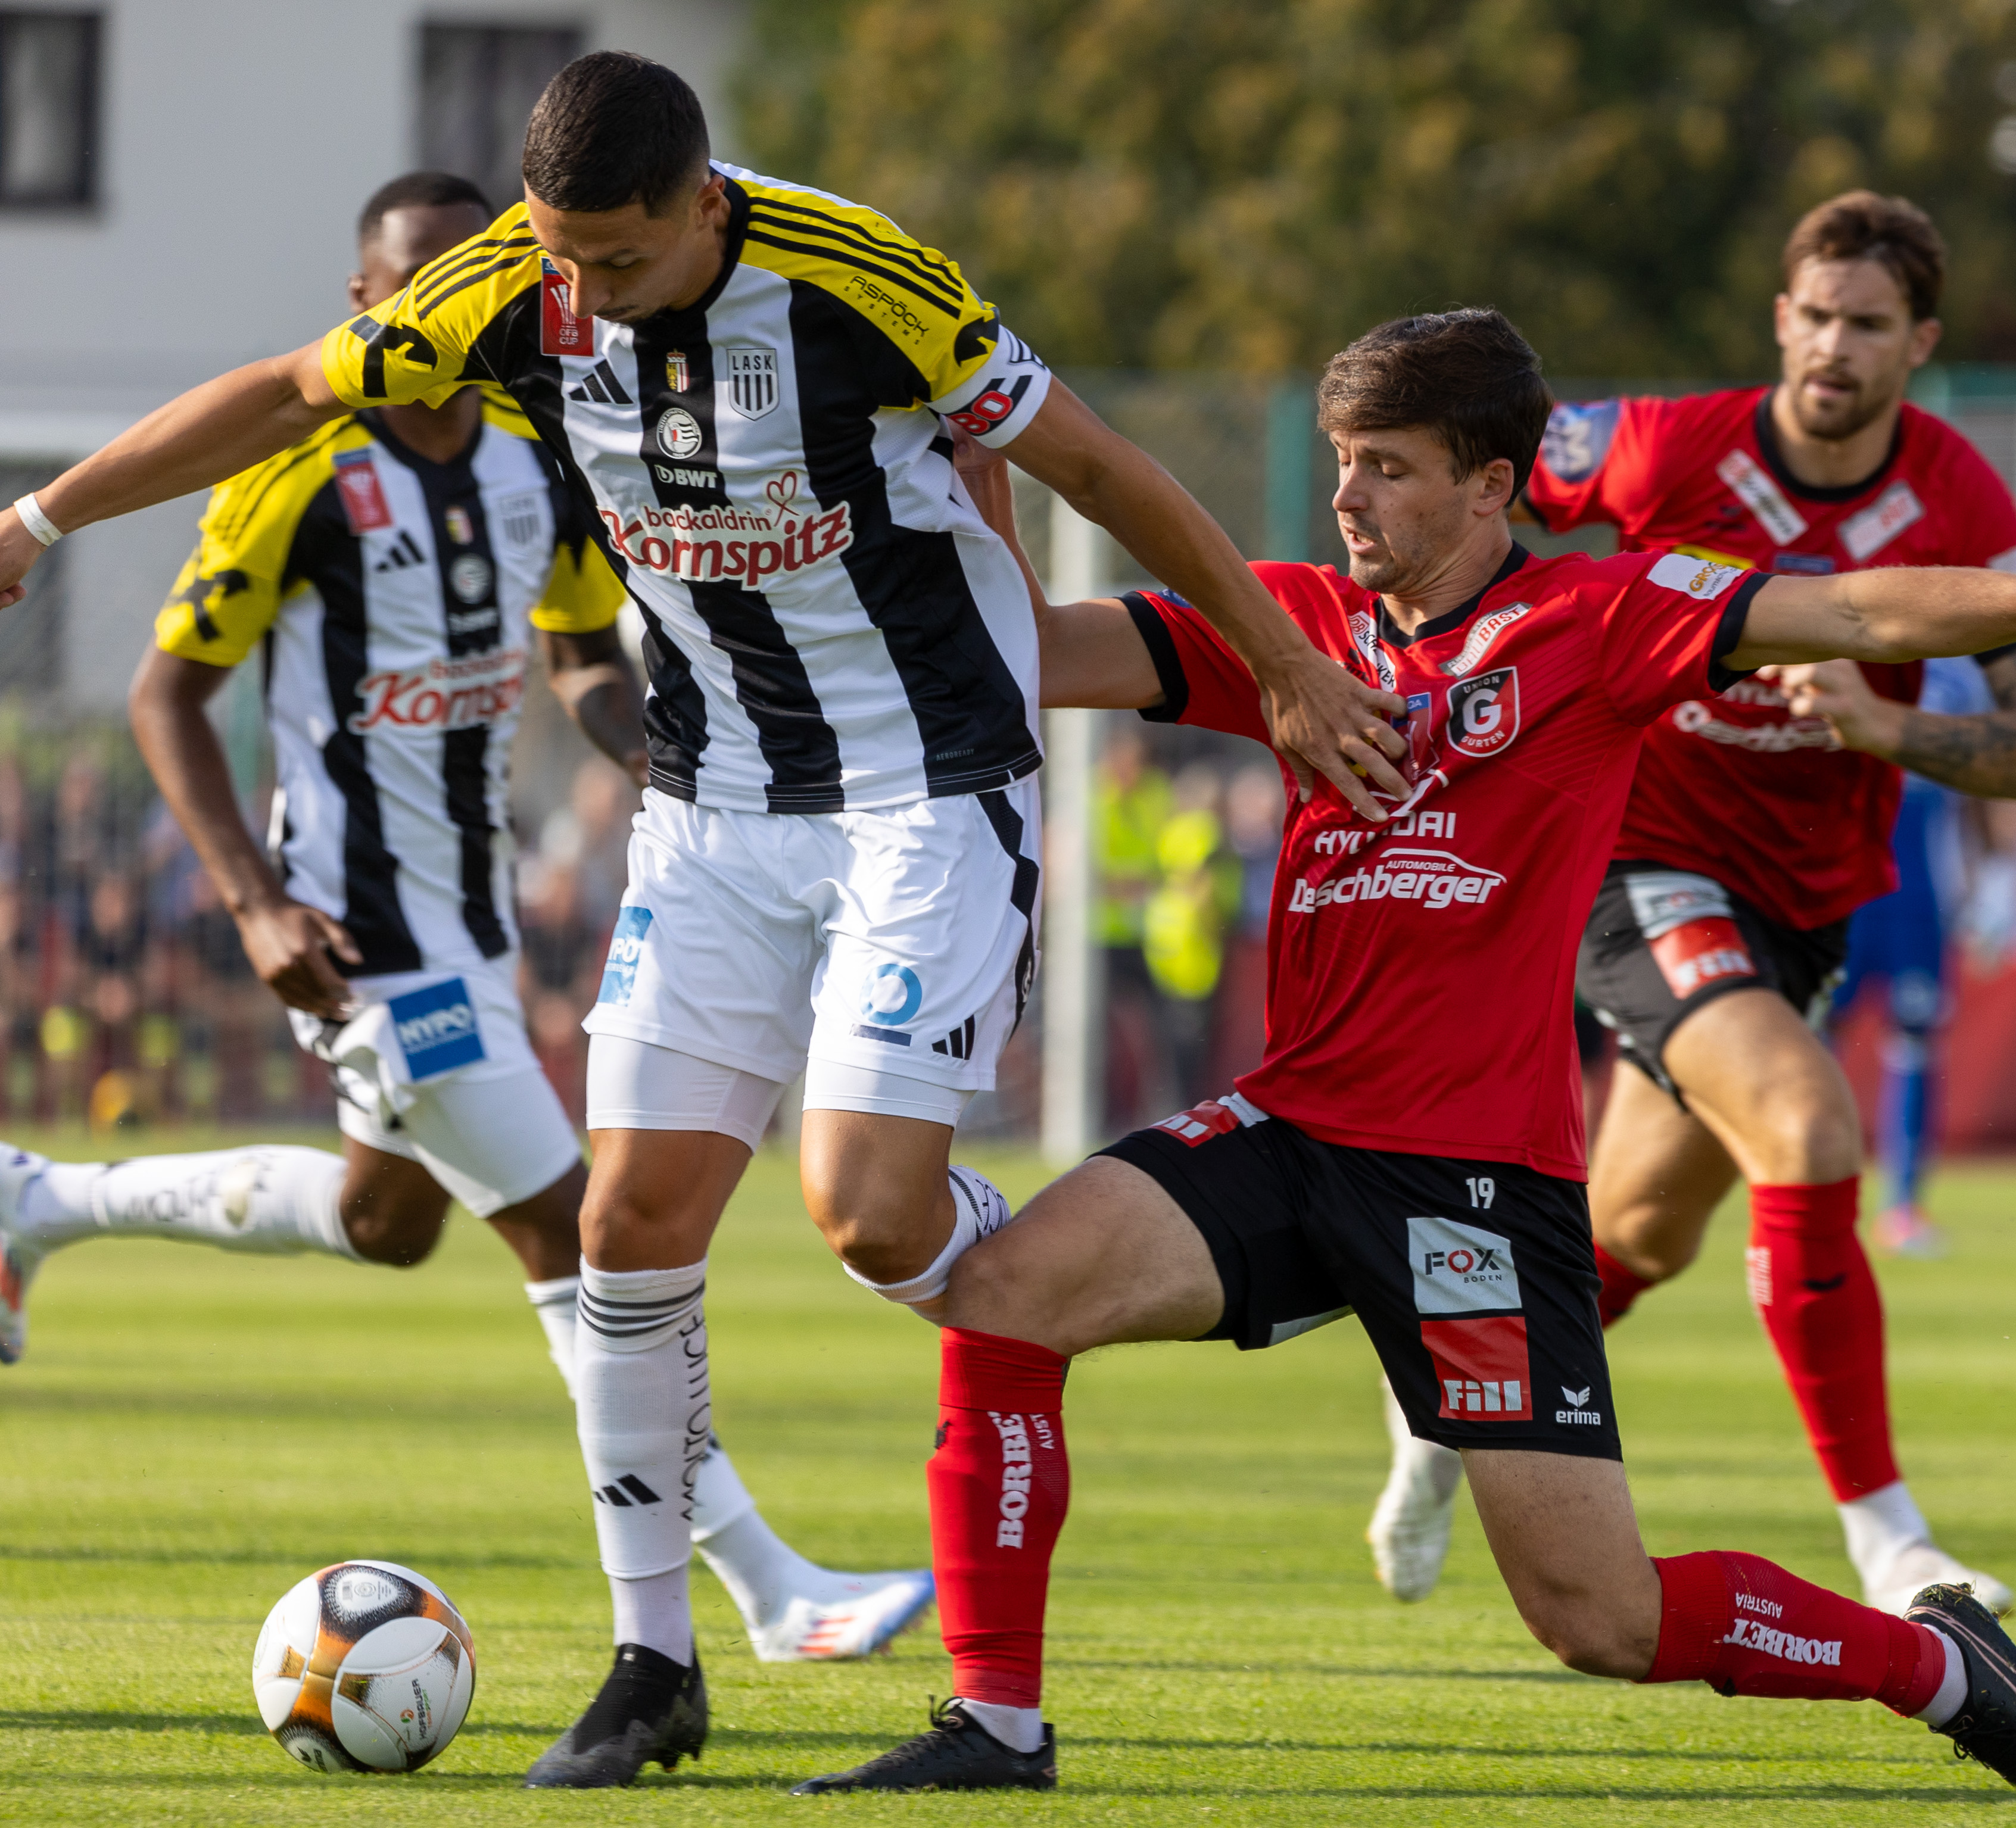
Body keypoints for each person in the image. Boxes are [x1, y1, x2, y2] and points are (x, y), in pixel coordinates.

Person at [0, 54, 1409, 1787]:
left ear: (702, 206)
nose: (579, 296)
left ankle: (1122, 1249)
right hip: (714, 811)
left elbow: (1103, 471)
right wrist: (42, 515)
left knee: (868, 1221)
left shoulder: (859, 278)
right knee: (628, 1217)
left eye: (619, 259)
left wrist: (1283, 665)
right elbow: (288, 392)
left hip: (924, 790)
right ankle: (652, 1663)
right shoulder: (504, 287)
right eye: (559, 258)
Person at [790, 308, 2016, 1794]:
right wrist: (977, 465)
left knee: (1599, 1615)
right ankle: (998, 1723)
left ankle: (1932, 1661)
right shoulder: (1291, 625)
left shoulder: (1604, 617)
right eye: (1342, 464)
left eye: (1387, 469)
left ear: (1491, 487)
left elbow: (1855, 614)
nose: (1346, 499)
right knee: (1006, 1298)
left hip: (1472, 1192)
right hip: (1291, 1133)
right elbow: (1038, 656)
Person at [0, 170, 931, 1667]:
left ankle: (36, 1202)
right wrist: (251, 901)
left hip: (475, 919)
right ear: (368, 309)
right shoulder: (295, 475)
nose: (449, 311)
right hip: (361, 938)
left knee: (391, 1218)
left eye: (470, 279)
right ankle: (770, 1587)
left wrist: (664, 748)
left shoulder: (528, 450)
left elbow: (574, 653)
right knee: (577, 1232)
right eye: (414, 288)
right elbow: (167, 690)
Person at [1369, 192, 2016, 1616]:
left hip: (1799, 906)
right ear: (1778, 317)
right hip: (1635, 864)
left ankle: (1447, 1401)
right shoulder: (1654, 444)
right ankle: (1889, 1538)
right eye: (1813, 315)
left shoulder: (1962, 503)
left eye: (1867, 326)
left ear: (1918, 343)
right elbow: (1470, 487)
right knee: (1812, 1126)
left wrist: (1890, 735)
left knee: (1636, 1231)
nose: (1833, 346)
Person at [1831, 656, 1995, 1259]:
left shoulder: (1959, 676)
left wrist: (1989, 880)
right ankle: (1806, 1193)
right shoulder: (1840, 643)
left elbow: (1979, 782)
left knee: (1917, 1044)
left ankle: (1902, 1206)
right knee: (1816, 1043)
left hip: (1922, 895)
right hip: (1844, 885)